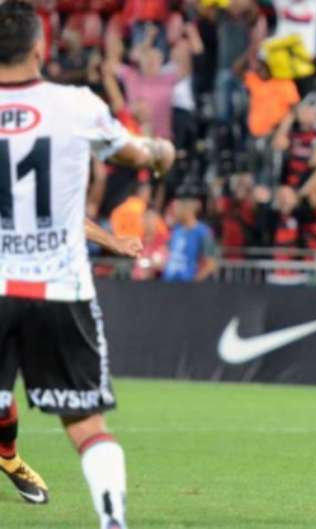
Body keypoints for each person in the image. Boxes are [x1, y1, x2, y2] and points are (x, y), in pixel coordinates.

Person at [0, 3, 174, 528]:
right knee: (85, 422)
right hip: (60, 289)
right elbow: (137, 154)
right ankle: (113, 521)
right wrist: (161, 150)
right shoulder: (75, 105)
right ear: (40, 48)